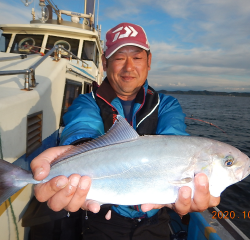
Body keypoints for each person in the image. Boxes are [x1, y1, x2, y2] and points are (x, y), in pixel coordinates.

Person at [30, 22, 220, 239]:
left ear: (149, 62)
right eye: (120, 58)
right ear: (105, 63)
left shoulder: (166, 104)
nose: (129, 67)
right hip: (101, 217)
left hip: (155, 218)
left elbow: (176, 144)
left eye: (137, 58)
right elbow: (82, 129)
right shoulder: (87, 102)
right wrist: (76, 151)